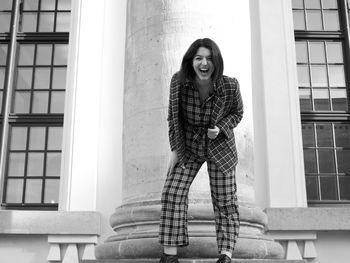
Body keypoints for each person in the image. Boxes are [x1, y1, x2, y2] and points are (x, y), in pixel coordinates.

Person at [158, 38, 243, 263]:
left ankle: (225, 255)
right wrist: (175, 149)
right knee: (172, 192)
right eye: (198, 58)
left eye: (209, 58)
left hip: (221, 149)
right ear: (191, 61)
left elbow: (238, 113)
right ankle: (169, 257)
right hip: (190, 145)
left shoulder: (230, 85)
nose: (204, 63)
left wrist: (221, 128)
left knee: (225, 201)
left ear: (216, 62)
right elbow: (173, 117)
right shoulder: (178, 82)